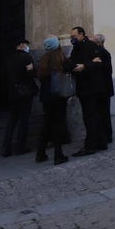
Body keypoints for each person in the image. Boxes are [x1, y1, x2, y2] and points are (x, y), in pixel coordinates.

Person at [67, 26, 104, 156]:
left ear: (82, 34)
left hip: (91, 87)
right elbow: (70, 63)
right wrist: (76, 66)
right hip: (83, 87)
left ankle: (91, 145)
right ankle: (99, 141)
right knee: (91, 116)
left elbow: (99, 63)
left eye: (74, 36)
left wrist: (84, 66)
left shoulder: (91, 46)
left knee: (91, 116)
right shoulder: (76, 48)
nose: (73, 39)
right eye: (71, 37)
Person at [35, 37, 69, 165]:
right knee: (59, 125)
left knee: (46, 124)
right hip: (59, 97)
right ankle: (58, 154)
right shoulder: (61, 60)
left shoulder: (43, 61)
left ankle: (40, 153)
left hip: (46, 98)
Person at [1, 39, 38, 156]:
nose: (27, 47)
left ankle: (6, 147)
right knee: (24, 120)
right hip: (25, 92)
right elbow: (31, 74)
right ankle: (20, 146)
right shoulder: (26, 57)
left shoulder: (9, 58)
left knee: (12, 120)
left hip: (13, 92)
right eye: (26, 45)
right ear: (21, 45)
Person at [91, 33, 114, 149]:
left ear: (99, 42)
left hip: (104, 88)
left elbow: (108, 70)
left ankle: (107, 135)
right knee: (103, 112)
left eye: (93, 40)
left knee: (104, 113)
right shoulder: (99, 52)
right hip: (103, 88)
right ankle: (106, 134)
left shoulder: (103, 53)